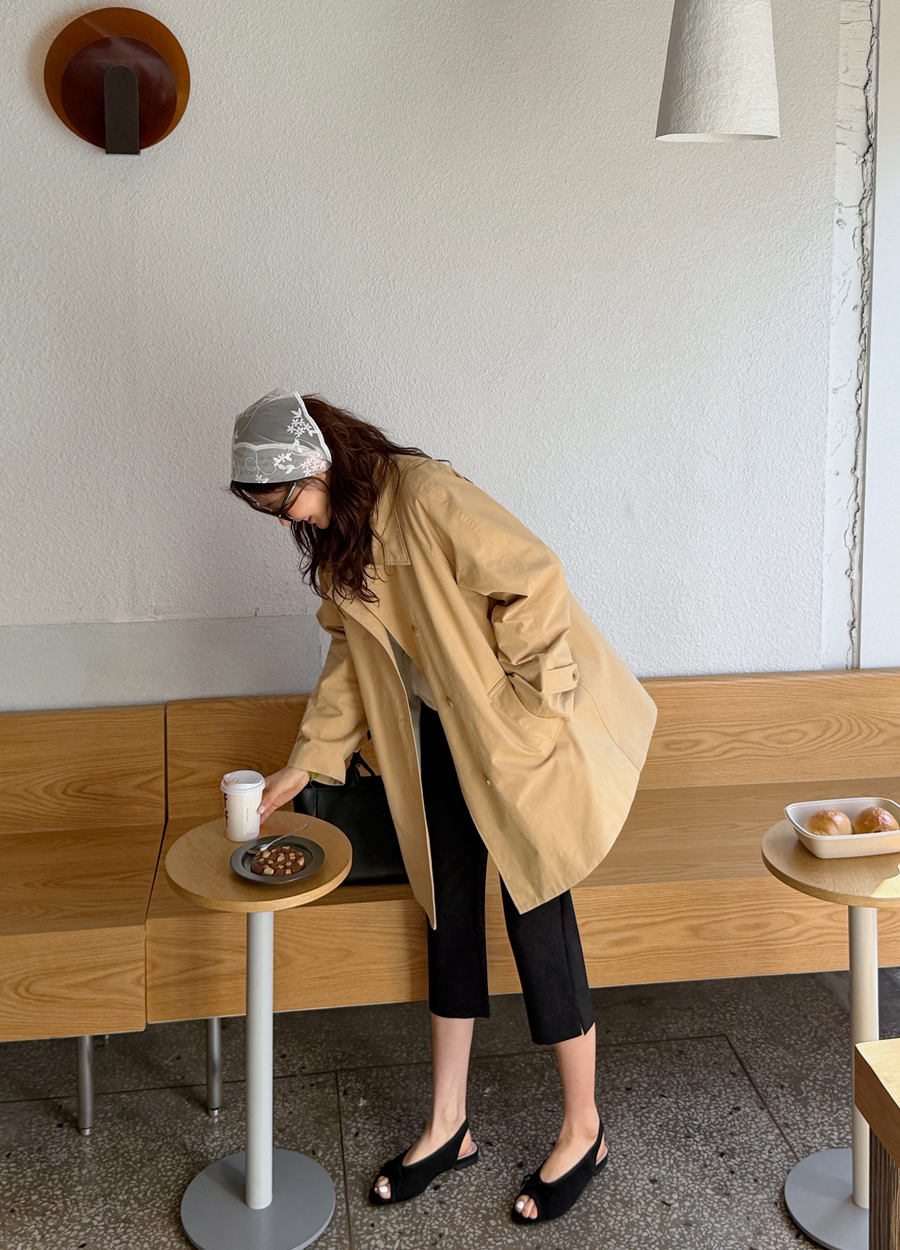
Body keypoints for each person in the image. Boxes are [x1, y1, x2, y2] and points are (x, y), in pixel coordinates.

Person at [230, 389, 657, 1223]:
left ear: (317, 465)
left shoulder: (424, 496)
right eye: (275, 513)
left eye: (286, 503)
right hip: (435, 741)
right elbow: (349, 661)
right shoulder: (344, 538)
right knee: (447, 915)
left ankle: (585, 1130)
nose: (289, 523)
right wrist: (304, 763)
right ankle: (447, 1125)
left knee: (538, 913)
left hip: (512, 741)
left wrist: (527, 701)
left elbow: (533, 577)